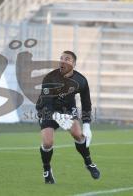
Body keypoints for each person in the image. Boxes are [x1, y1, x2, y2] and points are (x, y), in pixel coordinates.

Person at [36, 50, 100, 184]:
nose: (63, 61)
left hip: (67, 110)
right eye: (61, 58)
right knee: (47, 143)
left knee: (78, 135)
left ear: (74, 64)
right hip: (47, 110)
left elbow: (86, 102)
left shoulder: (81, 80)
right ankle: (47, 169)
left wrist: (87, 125)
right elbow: (46, 103)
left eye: (67, 59)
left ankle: (89, 163)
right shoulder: (50, 78)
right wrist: (56, 116)